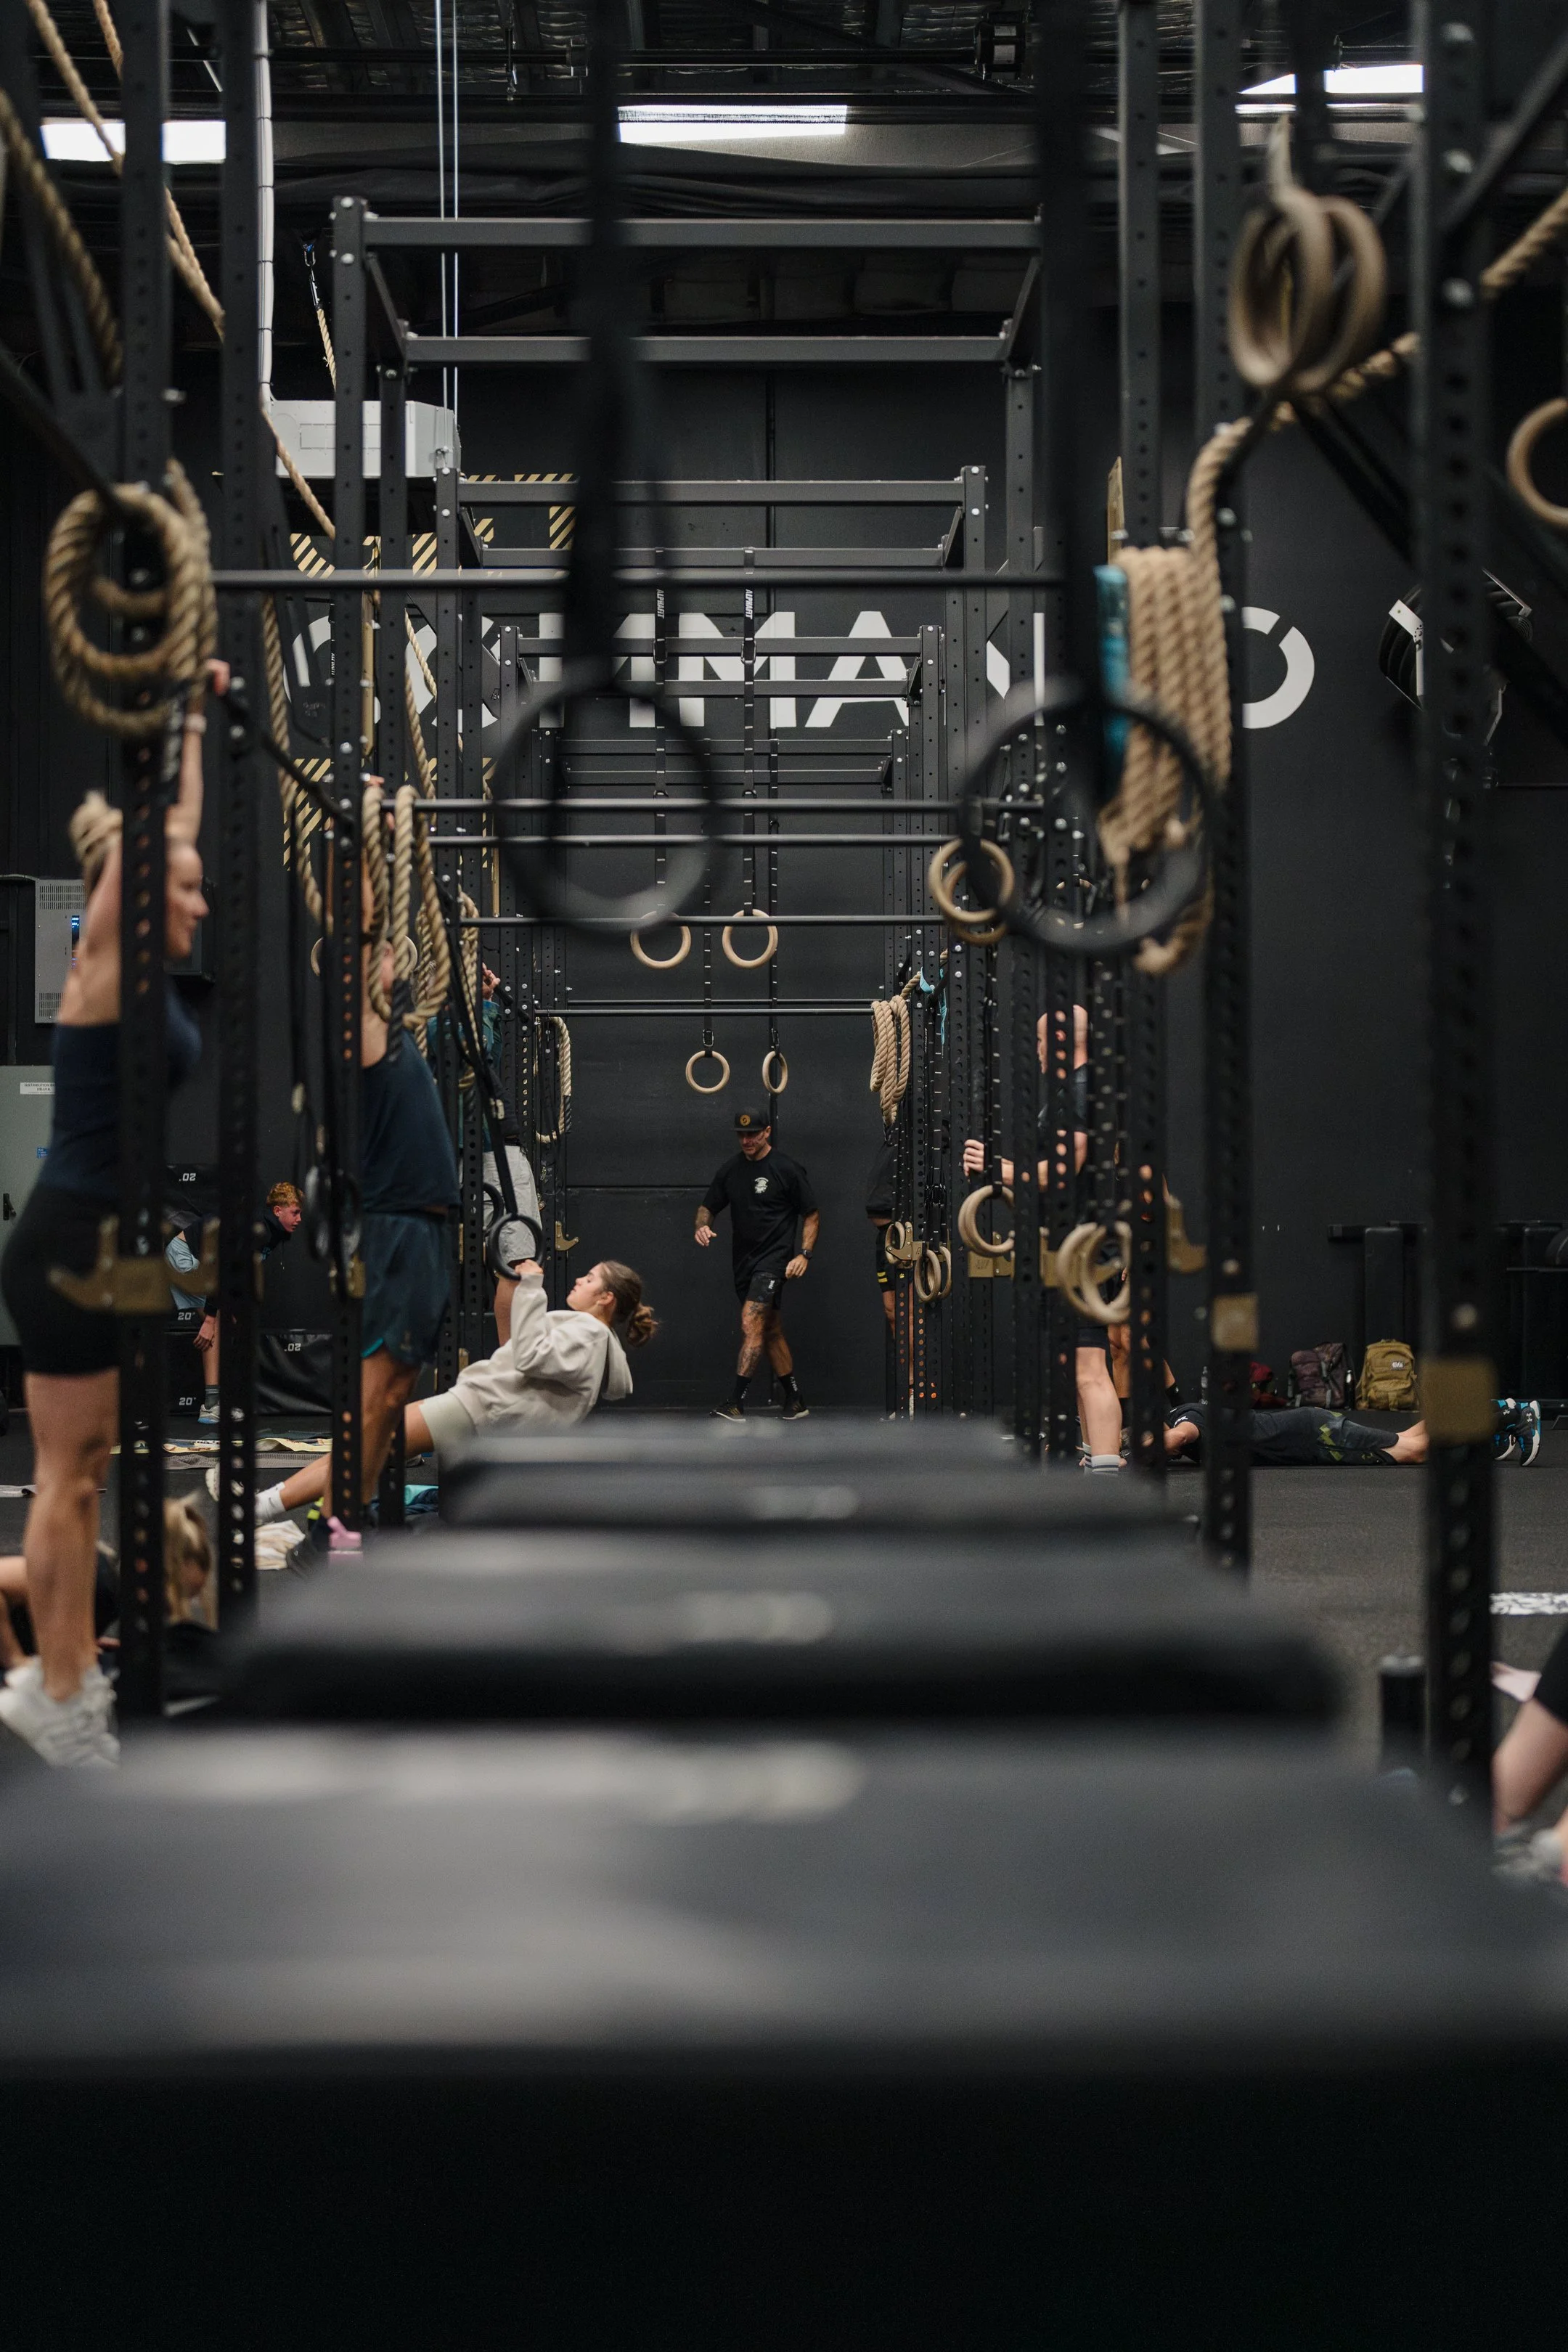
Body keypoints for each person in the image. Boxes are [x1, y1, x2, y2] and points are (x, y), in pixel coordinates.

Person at [0, 658, 227, 1765]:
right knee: (69, 1475)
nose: (196, 902)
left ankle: (71, 1677)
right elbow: (156, 839)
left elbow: (176, 824)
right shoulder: (104, 966)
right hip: (73, 1239)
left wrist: (194, 721)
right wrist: (169, 703)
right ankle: (58, 1694)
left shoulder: (147, 967)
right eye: (181, 888)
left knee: (105, 1466)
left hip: (118, 1246)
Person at [250, 1257, 656, 1521]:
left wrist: (533, 1287)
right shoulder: (586, 1334)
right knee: (359, 1445)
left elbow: (528, 1355)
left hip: (478, 1410)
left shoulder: (587, 1333)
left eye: (588, 1279)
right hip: (477, 1404)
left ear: (605, 1298)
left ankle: (266, 1507)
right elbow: (520, 1354)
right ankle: (275, 1501)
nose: (579, 1281)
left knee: (361, 1450)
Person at [963, 1004, 1125, 1471]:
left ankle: (1109, 1477)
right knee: (1081, 1368)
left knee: (1088, 1370)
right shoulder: (1083, 1088)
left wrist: (1001, 1170)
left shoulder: (1079, 1090)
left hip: (1082, 1251)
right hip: (1074, 1246)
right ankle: (1097, 1460)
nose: (1035, 1052)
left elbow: (1062, 1171)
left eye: (1038, 1042)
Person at [696, 1107, 818, 1422]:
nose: (747, 1140)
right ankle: (795, 1399)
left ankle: (734, 1402)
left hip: (774, 1261)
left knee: (751, 1324)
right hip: (744, 1263)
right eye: (742, 1134)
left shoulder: (786, 1169)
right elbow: (707, 1207)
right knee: (772, 1330)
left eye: (753, 1134)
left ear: (766, 1133)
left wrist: (803, 1254)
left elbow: (812, 1214)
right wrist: (702, 1225)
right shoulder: (730, 1170)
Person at [1163, 1395, 1541, 1467]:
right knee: (1410, 1438)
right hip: (1309, 1430)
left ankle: (1515, 1416)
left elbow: (1177, 1439)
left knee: (1414, 1451)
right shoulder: (1182, 1411)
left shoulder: (1185, 1419)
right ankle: (1493, 1414)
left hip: (1315, 1437)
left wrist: (1126, 1461)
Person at [192, 1180, 303, 1423]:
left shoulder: (273, 1234)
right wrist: (211, 1317)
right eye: (295, 1212)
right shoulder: (258, 1229)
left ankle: (221, 1401)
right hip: (185, 1258)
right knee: (217, 1322)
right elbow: (222, 1270)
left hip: (210, 1268)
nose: (299, 1219)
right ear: (278, 1211)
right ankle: (211, 1405)